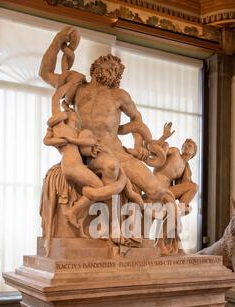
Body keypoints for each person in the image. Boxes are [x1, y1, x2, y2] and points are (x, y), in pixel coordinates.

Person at [39, 26, 167, 205]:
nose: (111, 68)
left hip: (117, 151)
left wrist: (139, 146)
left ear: (117, 76)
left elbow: (136, 120)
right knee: (109, 167)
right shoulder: (77, 87)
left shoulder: (119, 95)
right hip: (89, 152)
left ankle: (133, 222)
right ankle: (107, 217)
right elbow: (45, 73)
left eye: (115, 68)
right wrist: (57, 41)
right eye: (107, 64)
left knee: (157, 190)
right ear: (95, 68)